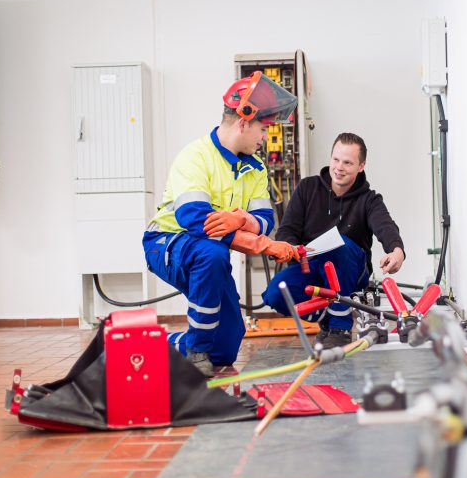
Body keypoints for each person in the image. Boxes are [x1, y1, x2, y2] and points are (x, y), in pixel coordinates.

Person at [142, 72, 300, 377]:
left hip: (209, 248)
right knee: (211, 253)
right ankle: (197, 351)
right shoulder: (195, 157)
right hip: (167, 242)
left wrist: (242, 219)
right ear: (243, 122)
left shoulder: (256, 169)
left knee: (227, 344)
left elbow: (266, 221)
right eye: (264, 129)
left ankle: (148, 345)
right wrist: (262, 243)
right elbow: (196, 220)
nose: (265, 138)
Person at [262, 132, 405, 348]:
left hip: (350, 270)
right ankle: (327, 321)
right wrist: (293, 250)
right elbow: (287, 231)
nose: (339, 167)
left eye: (347, 162)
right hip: (309, 267)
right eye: (336, 159)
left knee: (341, 245)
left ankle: (341, 327)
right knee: (275, 293)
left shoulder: (369, 200)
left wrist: (396, 251)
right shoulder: (307, 188)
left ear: (361, 166)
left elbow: (385, 226)